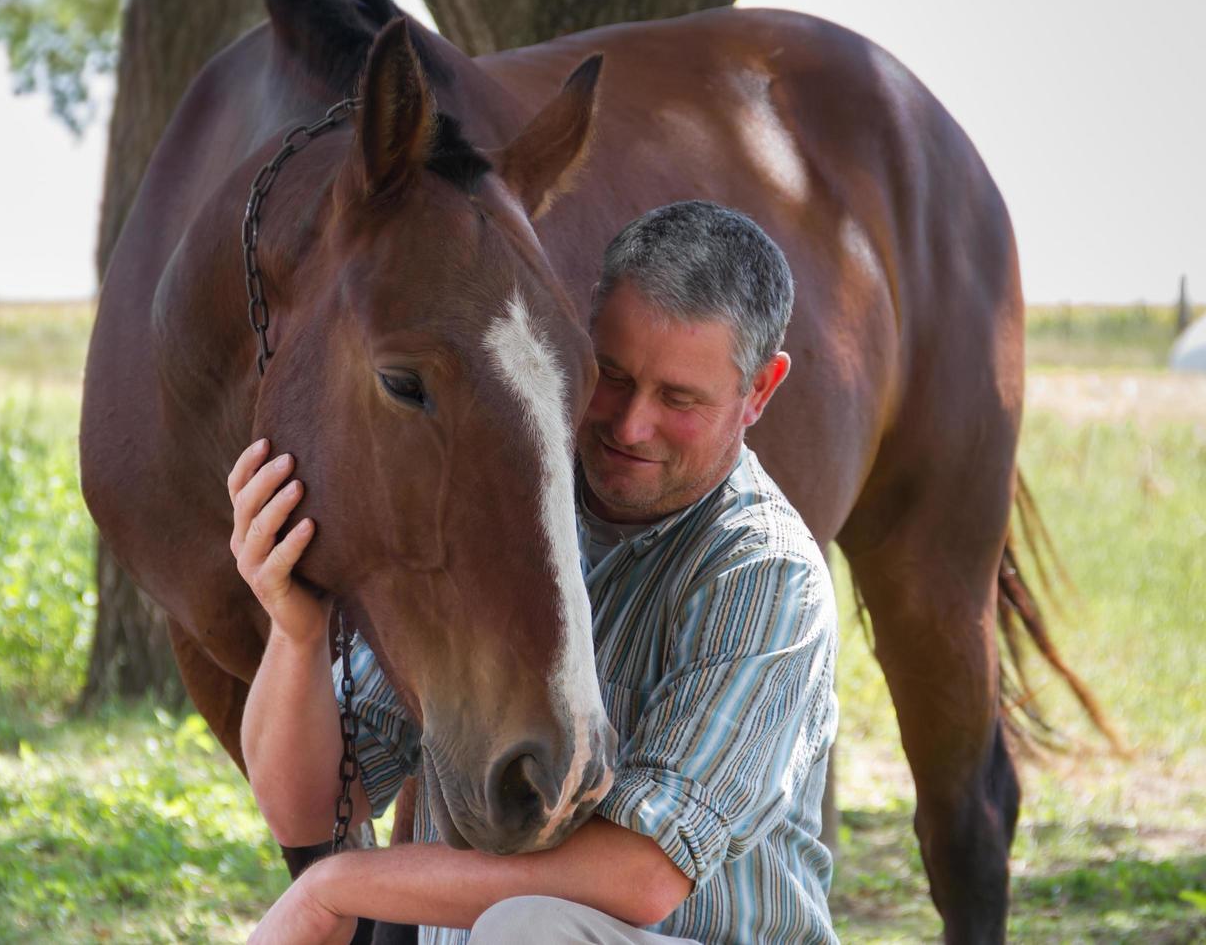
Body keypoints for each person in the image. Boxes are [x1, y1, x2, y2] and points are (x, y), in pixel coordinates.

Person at [228, 201, 838, 944]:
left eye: (679, 400)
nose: (629, 425)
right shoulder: (503, 516)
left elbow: (643, 877)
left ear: (760, 391)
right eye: (611, 376)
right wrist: (296, 631)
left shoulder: (764, 573)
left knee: (529, 930)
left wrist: (332, 887)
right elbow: (313, 809)